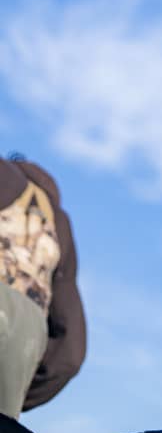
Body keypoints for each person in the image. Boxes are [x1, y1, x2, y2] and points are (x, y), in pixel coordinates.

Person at [0, 155, 86, 418]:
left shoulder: (4, 174)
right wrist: (20, 386)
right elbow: (70, 353)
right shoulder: (60, 225)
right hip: (27, 335)